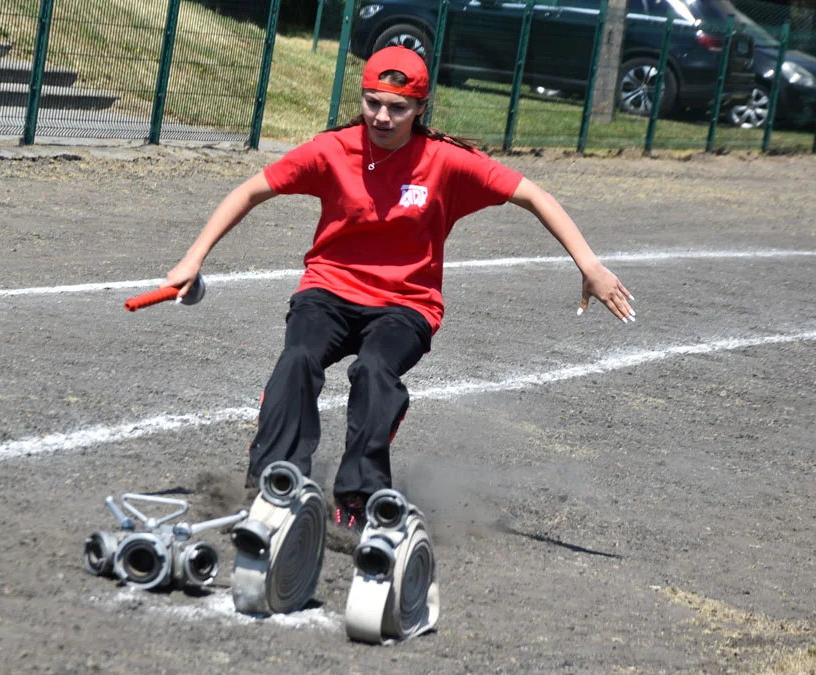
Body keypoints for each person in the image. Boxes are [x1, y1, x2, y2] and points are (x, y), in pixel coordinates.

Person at [161, 46, 635, 538]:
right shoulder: (333, 149)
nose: (382, 117)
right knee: (297, 359)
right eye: (372, 103)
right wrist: (191, 261)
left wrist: (590, 265)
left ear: (420, 108)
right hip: (328, 290)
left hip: (405, 305)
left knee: (374, 371)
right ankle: (275, 485)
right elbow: (249, 190)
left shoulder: (445, 161)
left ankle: (358, 496)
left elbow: (534, 195)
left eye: (397, 108)